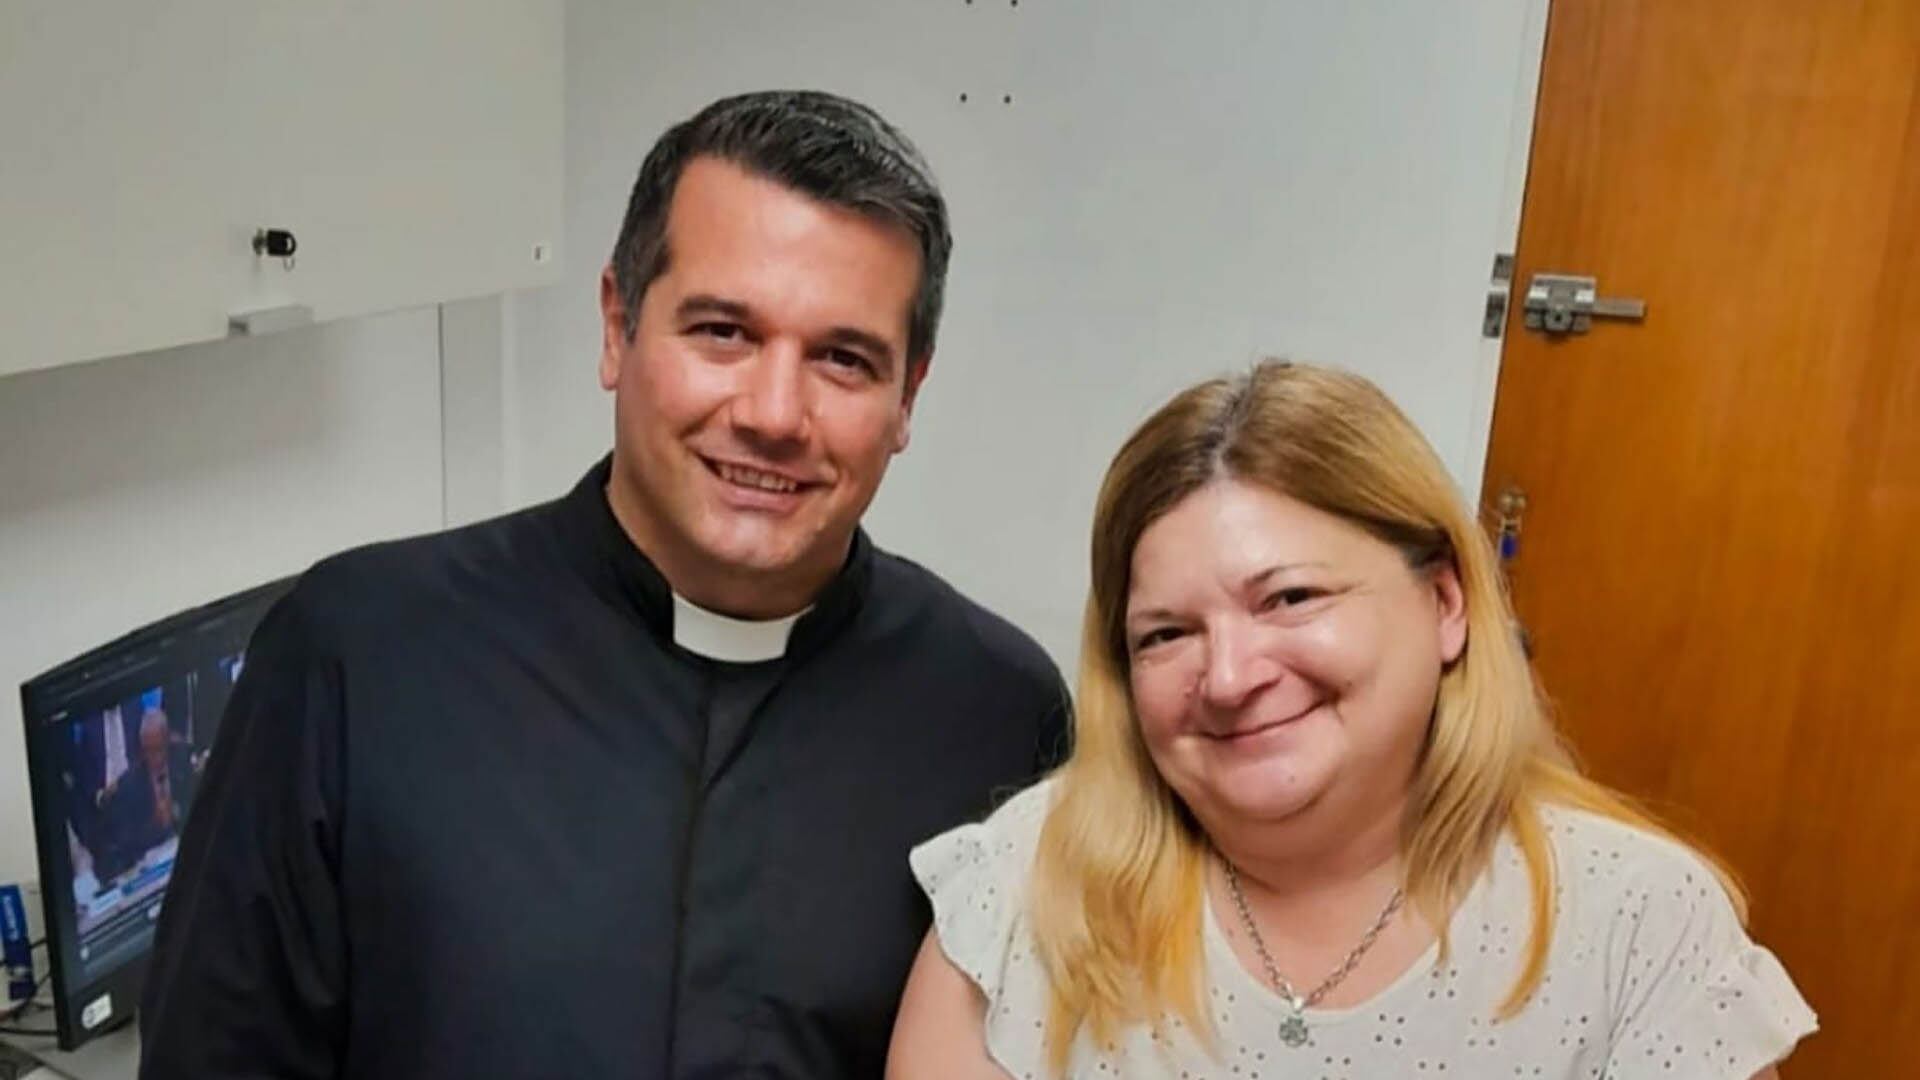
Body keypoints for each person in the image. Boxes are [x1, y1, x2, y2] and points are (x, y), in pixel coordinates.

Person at [141, 90, 1067, 1079]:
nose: (773, 413)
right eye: (722, 331)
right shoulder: (356, 658)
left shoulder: (998, 717)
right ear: (618, 327)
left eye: (843, 359)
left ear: (907, 395)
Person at [888, 361, 1816, 1078]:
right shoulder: (1027, 887)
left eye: (1290, 598)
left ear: (1445, 603)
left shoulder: (1639, 925)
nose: (1228, 677)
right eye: (1166, 634)